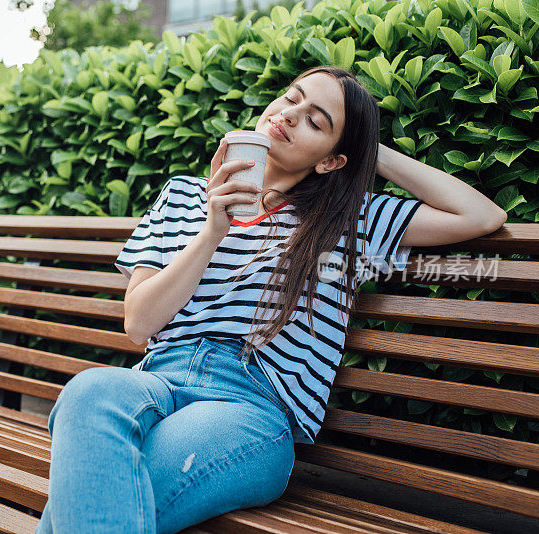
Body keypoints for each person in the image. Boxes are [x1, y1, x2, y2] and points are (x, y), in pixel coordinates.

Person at [34, 65, 507, 533]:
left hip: (249, 407)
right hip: (157, 380)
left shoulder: (348, 221)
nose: (290, 113)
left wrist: (368, 151)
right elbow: (139, 324)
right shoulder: (181, 196)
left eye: (317, 121)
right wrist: (213, 229)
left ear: (331, 160)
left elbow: (481, 214)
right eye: (291, 97)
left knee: (107, 494)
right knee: (89, 390)